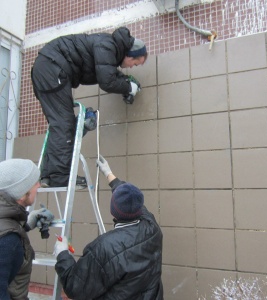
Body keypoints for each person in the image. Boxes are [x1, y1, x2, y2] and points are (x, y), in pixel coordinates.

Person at [31, 26, 148, 188]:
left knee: (59, 124)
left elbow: (109, 73)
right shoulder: (108, 45)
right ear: (129, 54)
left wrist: (127, 83)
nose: (131, 67)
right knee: (64, 123)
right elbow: (107, 80)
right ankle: (60, 176)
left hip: (48, 68)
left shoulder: (108, 47)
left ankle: (48, 176)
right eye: (135, 63)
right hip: (52, 68)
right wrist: (128, 88)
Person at [54, 154, 163, 300]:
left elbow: (76, 288)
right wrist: (109, 174)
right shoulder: (152, 228)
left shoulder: (104, 247)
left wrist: (62, 255)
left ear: (113, 210)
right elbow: (132, 201)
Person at [0, 158, 55, 300]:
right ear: (21, 193)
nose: (38, 186)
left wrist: (27, 224)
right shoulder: (7, 241)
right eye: (34, 183)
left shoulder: (8, 228)